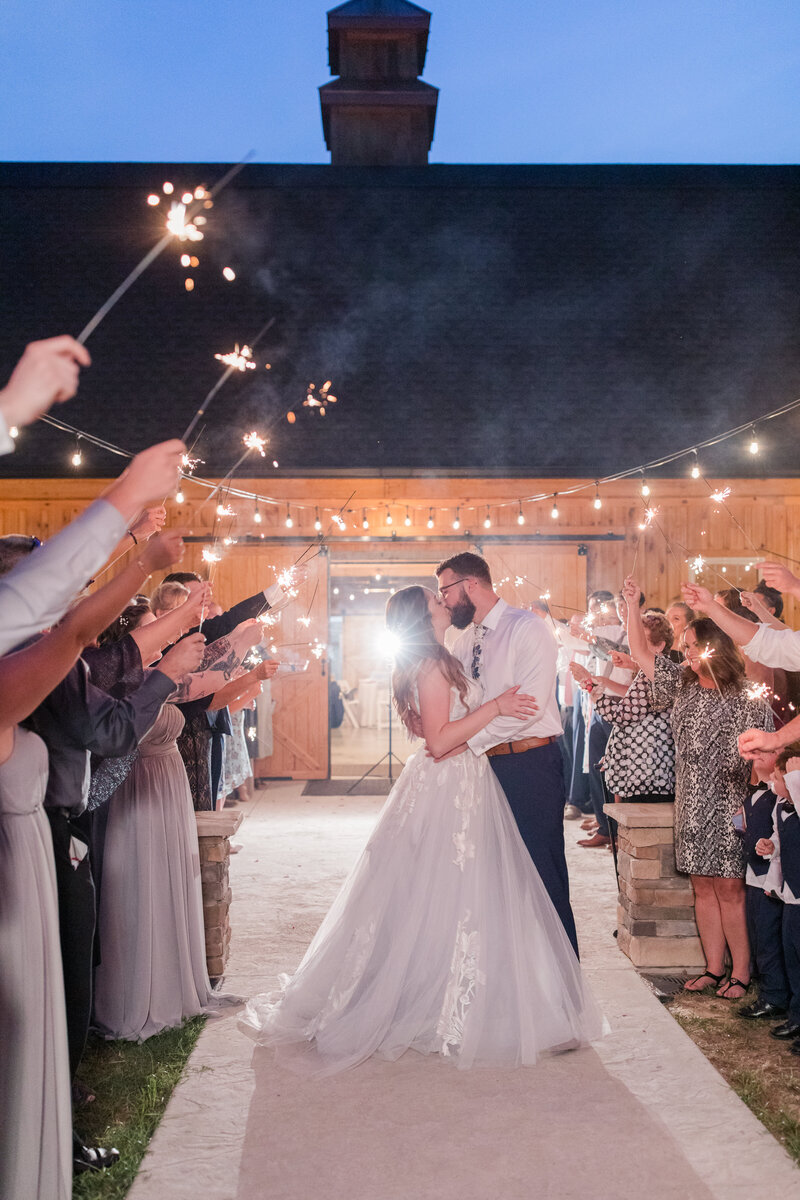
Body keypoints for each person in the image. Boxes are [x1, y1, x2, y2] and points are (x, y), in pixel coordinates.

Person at [240, 585, 603, 1073]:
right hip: (447, 783)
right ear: (423, 614)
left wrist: (483, 716)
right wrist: (495, 707)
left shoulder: (441, 656)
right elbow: (438, 741)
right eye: (436, 600)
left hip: (465, 779)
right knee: (442, 889)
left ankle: (455, 991)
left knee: (462, 892)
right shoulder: (431, 664)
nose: (444, 602)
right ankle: (425, 1000)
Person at [623, 576, 773, 1000]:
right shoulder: (681, 685)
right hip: (689, 800)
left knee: (730, 888)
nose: (684, 651)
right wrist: (632, 605)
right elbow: (640, 653)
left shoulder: (748, 696)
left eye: (690, 645)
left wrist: (753, 809)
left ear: (713, 648)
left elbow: (763, 761)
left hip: (731, 803)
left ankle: (740, 973)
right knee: (702, 887)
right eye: (684, 645)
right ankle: (713, 967)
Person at [435, 553, 578, 953]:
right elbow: (463, 707)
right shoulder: (463, 641)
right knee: (493, 873)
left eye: (445, 589)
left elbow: (528, 706)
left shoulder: (527, 628)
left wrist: (467, 741)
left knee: (541, 869)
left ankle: (562, 973)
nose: (443, 599)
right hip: (481, 769)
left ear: (470, 584)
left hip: (529, 763)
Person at [737, 748, 788, 1021]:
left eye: (765, 754)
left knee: (769, 939)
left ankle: (775, 997)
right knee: (757, 935)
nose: (757, 758)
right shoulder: (754, 795)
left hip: (769, 878)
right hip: (753, 876)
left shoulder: (779, 796)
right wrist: (740, 822)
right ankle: (766, 990)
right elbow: (743, 826)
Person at [756, 747, 800, 1051]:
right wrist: (771, 845)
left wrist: (795, 775)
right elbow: (781, 837)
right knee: (792, 959)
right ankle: (796, 1017)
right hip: (791, 897)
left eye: (779, 776)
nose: (773, 780)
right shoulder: (782, 806)